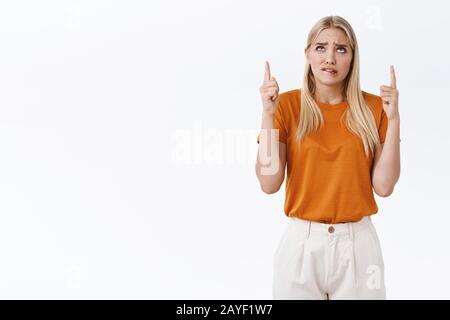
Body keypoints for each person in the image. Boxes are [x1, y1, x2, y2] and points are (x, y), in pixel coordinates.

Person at [255, 15, 401, 300]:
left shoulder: (375, 108)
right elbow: (269, 182)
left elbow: (384, 187)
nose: (330, 58)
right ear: (308, 54)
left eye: (341, 49)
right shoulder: (286, 105)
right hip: (300, 246)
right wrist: (267, 114)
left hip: (359, 248)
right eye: (321, 47)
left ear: (352, 57)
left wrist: (394, 120)